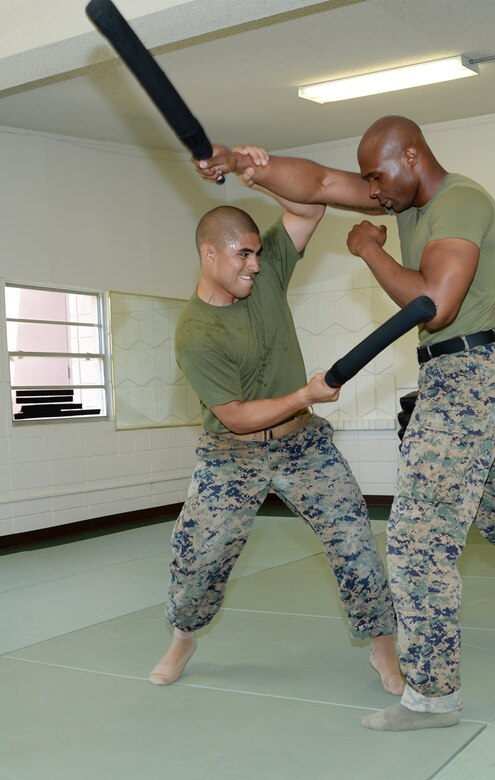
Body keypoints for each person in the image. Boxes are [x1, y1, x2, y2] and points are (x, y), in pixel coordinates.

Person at [192, 116, 495, 732]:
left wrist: (369, 250)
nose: (373, 191)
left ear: (411, 157)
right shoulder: (403, 192)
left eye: (378, 176)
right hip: (462, 374)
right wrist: (238, 162)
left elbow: (435, 304)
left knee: (417, 538)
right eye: (368, 179)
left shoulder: (461, 202)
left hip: (469, 373)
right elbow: (315, 181)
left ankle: (432, 696)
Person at [149, 181, 404, 696]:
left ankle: (383, 649)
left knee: (354, 542)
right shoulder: (196, 333)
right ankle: (182, 637)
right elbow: (237, 417)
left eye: (258, 253)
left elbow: (310, 203)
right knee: (200, 558)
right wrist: (304, 394)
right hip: (231, 453)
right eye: (243, 254)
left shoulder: (262, 277)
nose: (255, 265)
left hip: (303, 444)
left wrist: (257, 171)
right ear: (209, 253)